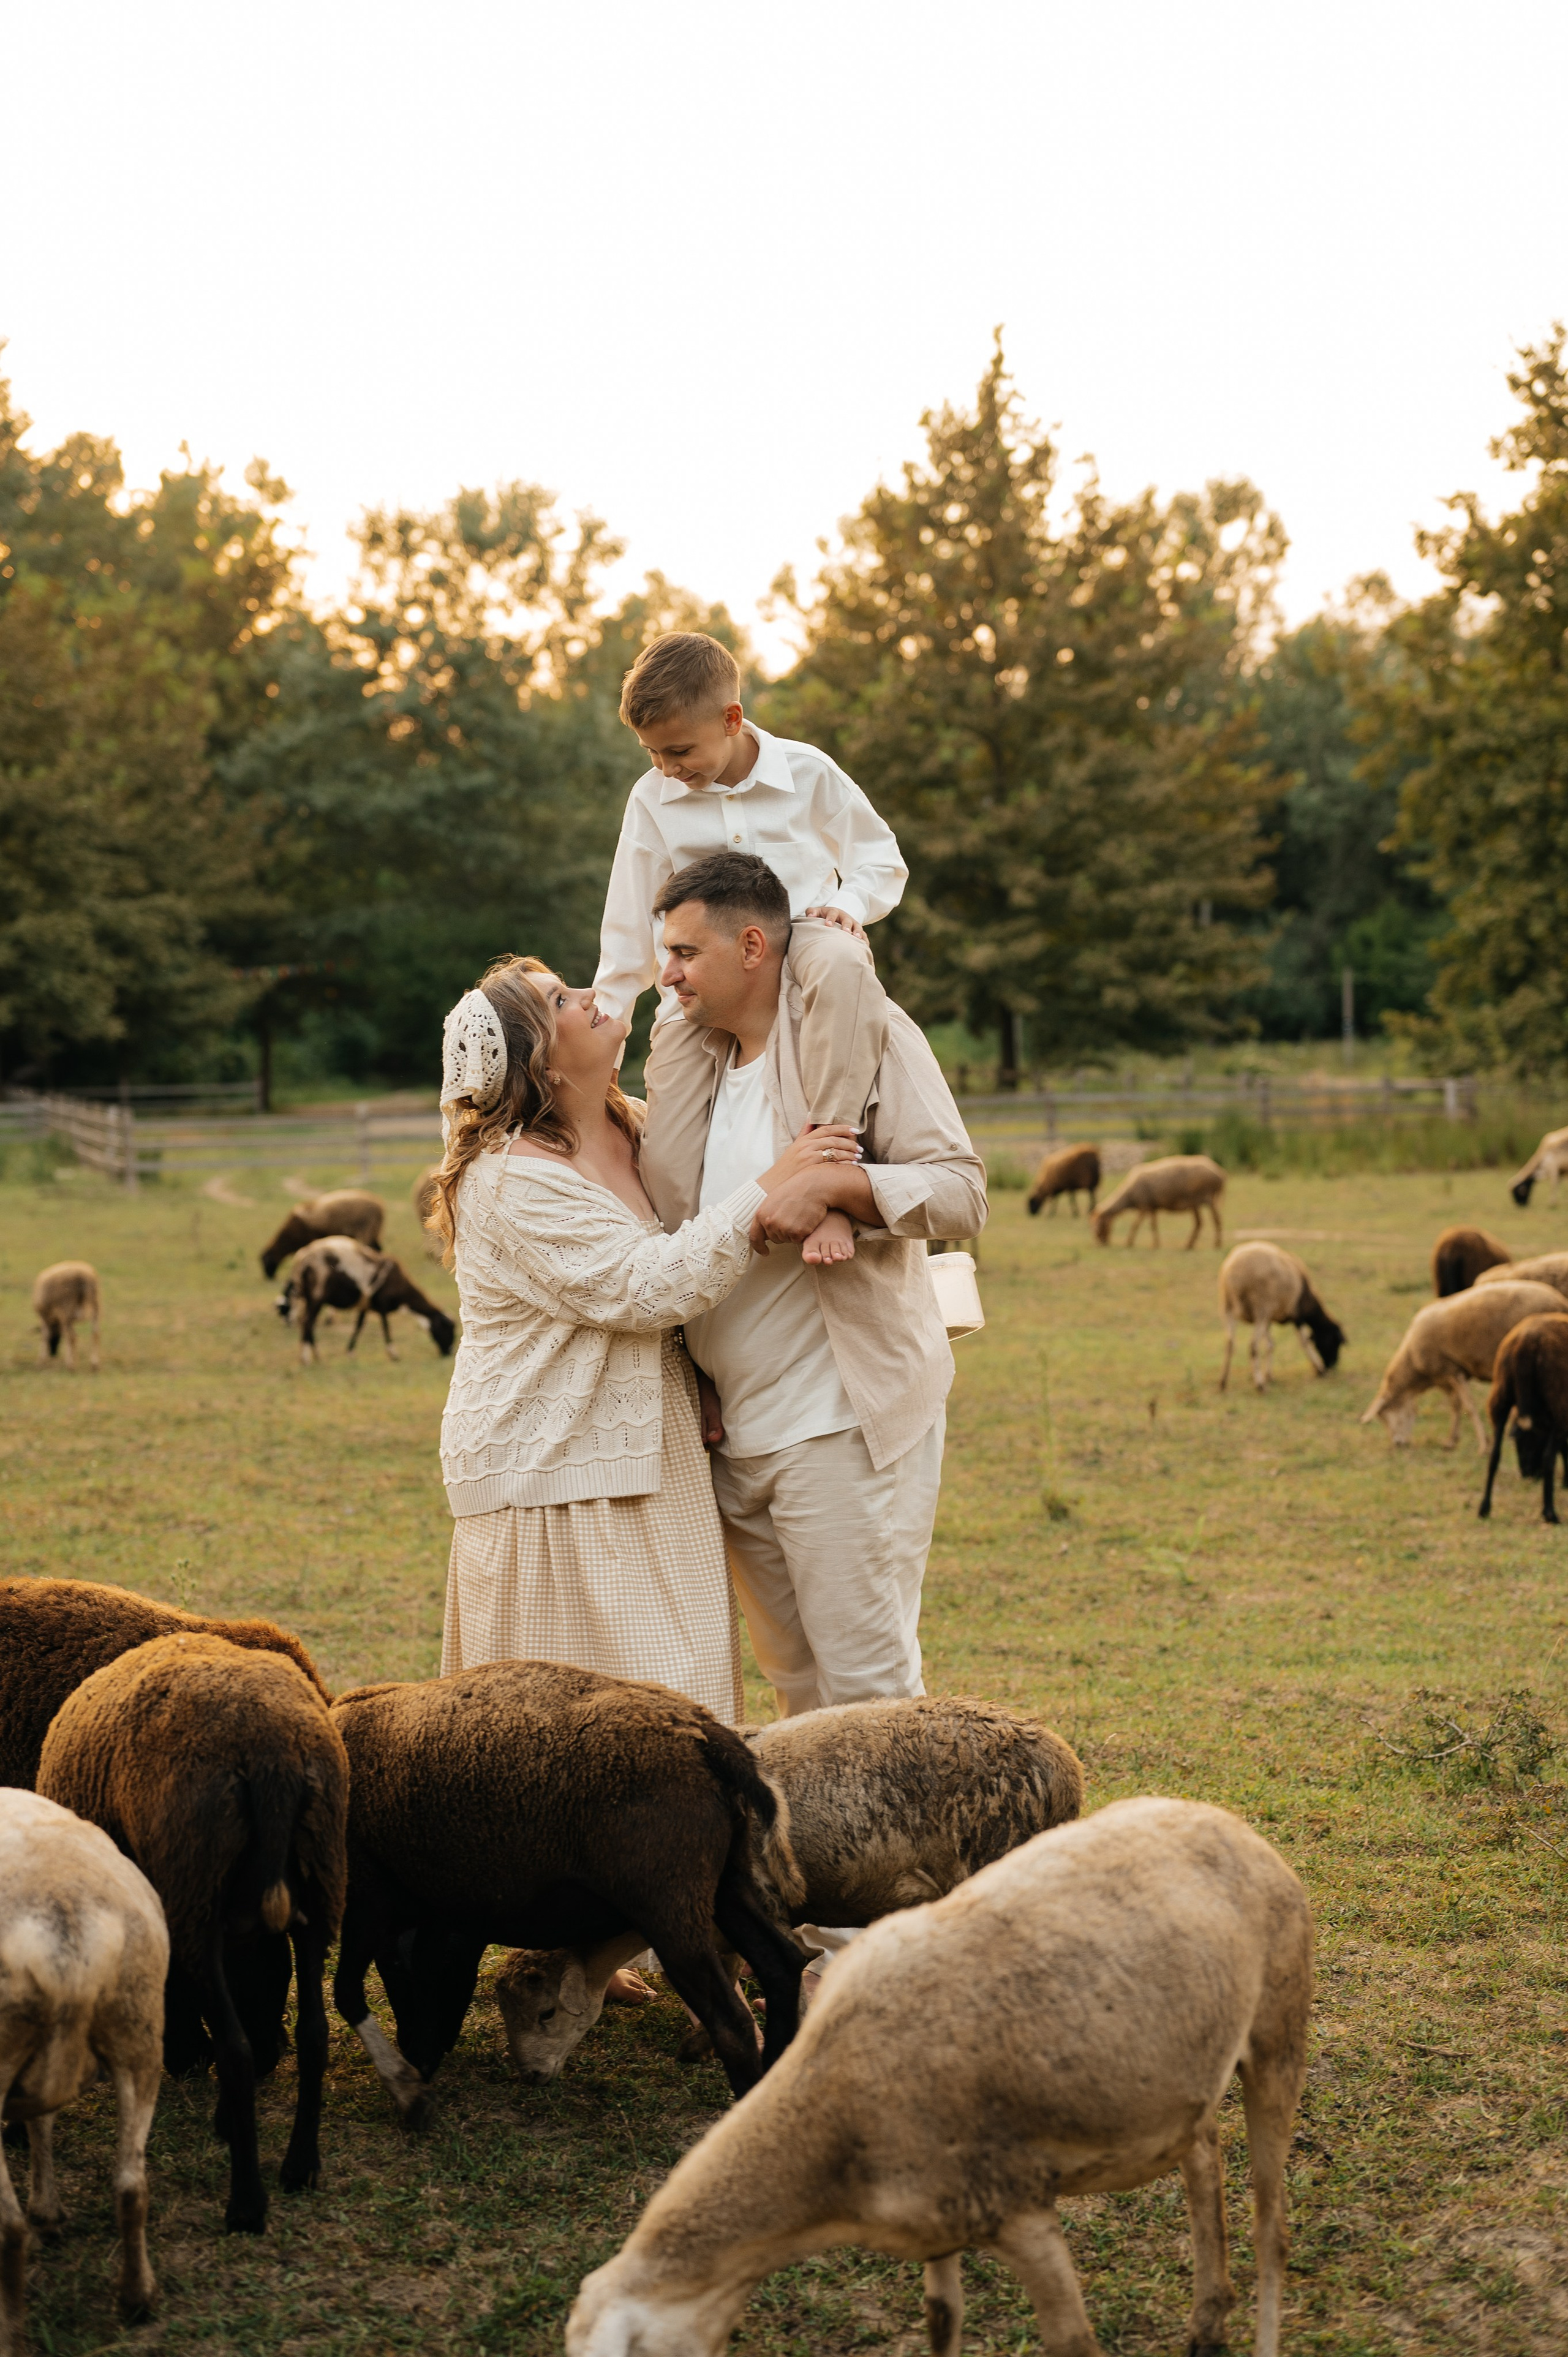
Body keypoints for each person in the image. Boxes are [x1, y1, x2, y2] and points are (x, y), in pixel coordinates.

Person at [429, 952, 861, 1724]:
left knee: (679, 1704)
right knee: (571, 1732)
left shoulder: (635, 1128)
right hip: (552, 1475)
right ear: (539, 1060)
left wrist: (688, 1366)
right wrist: (779, 1181)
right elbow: (644, 1285)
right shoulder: (506, 1178)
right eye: (562, 998)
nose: (592, 994)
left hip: (649, 1457)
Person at [636, 851, 988, 1724]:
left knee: (870, 1692)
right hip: (733, 1436)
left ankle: (918, 1867)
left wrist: (841, 1189)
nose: (666, 972)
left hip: (840, 1422)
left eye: (684, 952)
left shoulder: (869, 1033)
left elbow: (961, 1188)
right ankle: (832, 1865)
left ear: (752, 945)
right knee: (795, 1690)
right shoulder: (696, 1072)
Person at [593, 630, 908, 1267]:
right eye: (652, 753)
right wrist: (607, 1030)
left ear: (732, 719)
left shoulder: (808, 771)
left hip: (803, 938)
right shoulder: (651, 798)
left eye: (679, 749)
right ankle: (682, 1287)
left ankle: (830, 1167)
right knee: (670, 1155)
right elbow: (628, 919)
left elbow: (880, 858)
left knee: (845, 959)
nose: (665, 768)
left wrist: (847, 906)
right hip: (703, 971)